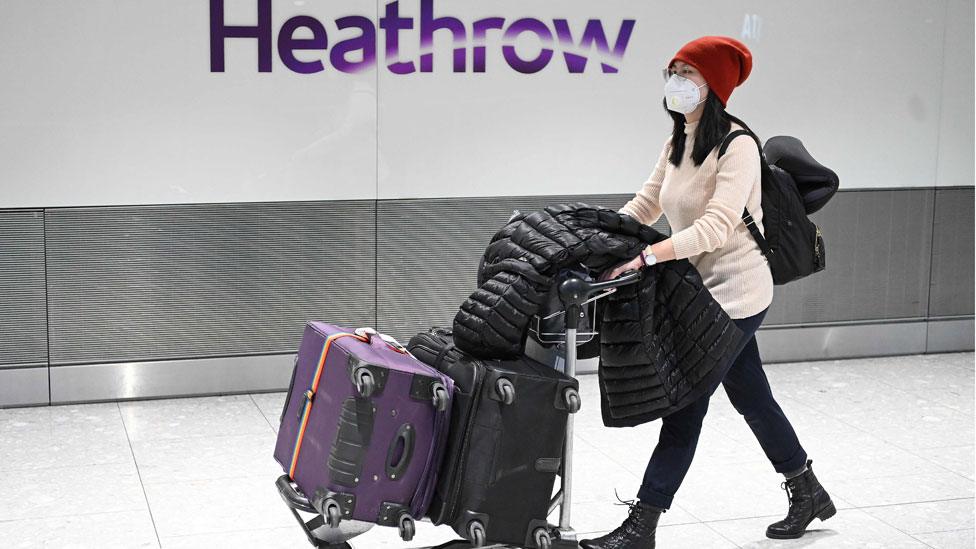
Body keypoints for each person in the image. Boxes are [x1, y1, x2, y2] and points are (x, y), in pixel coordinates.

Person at [579, 36, 835, 549]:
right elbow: (648, 201)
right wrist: (603, 241)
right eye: (671, 70)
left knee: (685, 404)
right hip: (702, 289)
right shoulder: (679, 138)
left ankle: (642, 524)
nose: (675, 82)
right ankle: (806, 489)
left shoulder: (736, 145)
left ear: (712, 85)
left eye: (687, 73)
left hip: (739, 293)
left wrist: (648, 256)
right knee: (751, 395)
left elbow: (717, 227)